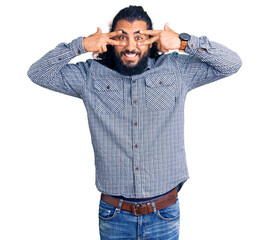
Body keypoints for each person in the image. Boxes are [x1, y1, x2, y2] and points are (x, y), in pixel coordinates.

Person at [27, 5, 242, 240]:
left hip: (164, 213)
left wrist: (183, 42)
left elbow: (231, 63)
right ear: (109, 40)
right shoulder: (89, 76)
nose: (130, 46)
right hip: (114, 215)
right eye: (121, 37)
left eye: (139, 37)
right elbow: (38, 73)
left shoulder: (176, 70)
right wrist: (80, 45)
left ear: (152, 40)